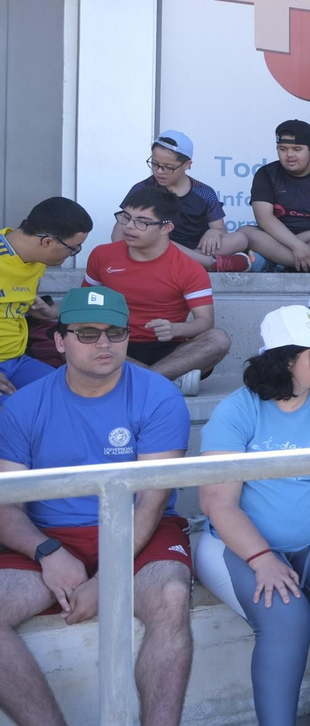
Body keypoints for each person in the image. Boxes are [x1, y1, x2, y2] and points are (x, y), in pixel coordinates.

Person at [0, 286, 193, 726]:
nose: (103, 343)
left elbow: (151, 499)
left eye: (115, 332)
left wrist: (108, 579)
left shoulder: (159, 395)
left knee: (171, 595)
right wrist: (46, 552)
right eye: (87, 333)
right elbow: (6, 506)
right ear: (61, 339)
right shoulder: (23, 405)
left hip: (137, 528)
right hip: (51, 533)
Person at [195, 305, 310, 726]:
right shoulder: (237, 410)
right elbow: (216, 502)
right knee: (287, 620)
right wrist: (262, 560)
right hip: (237, 548)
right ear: (286, 358)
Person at [85, 188, 231, 394]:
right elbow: (84, 301)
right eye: (126, 217)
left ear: (166, 227)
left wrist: (175, 329)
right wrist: (51, 311)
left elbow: (205, 322)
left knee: (218, 339)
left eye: (142, 222)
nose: (129, 227)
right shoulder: (102, 254)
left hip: (169, 348)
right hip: (116, 341)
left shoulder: (189, 268)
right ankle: (164, 381)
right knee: (68, 333)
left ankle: (138, 380)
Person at [0, 197, 92, 406]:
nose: (73, 254)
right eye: (74, 248)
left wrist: (40, 310)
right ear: (47, 242)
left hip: (17, 360)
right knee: (18, 417)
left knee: (76, 396)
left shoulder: (36, 260)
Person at [118, 130, 252, 272]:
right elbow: (121, 226)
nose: (159, 171)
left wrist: (213, 232)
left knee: (240, 239)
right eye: (154, 164)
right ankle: (210, 263)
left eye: (168, 167)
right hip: (157, 247)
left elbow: (220, 229)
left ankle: (188, 262)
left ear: (187, 164)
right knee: (159, 241)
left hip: (198, 249)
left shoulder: (204, 192)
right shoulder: (142, 189)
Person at [245, 120, 310, 271]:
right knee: (246, 234)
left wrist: (303, 239)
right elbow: (264, 218)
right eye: (283, 149)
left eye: (297, 149)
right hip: (277, 240)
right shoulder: (266, 174)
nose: (289, 155)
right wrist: (296, 245)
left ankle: (277, 263)